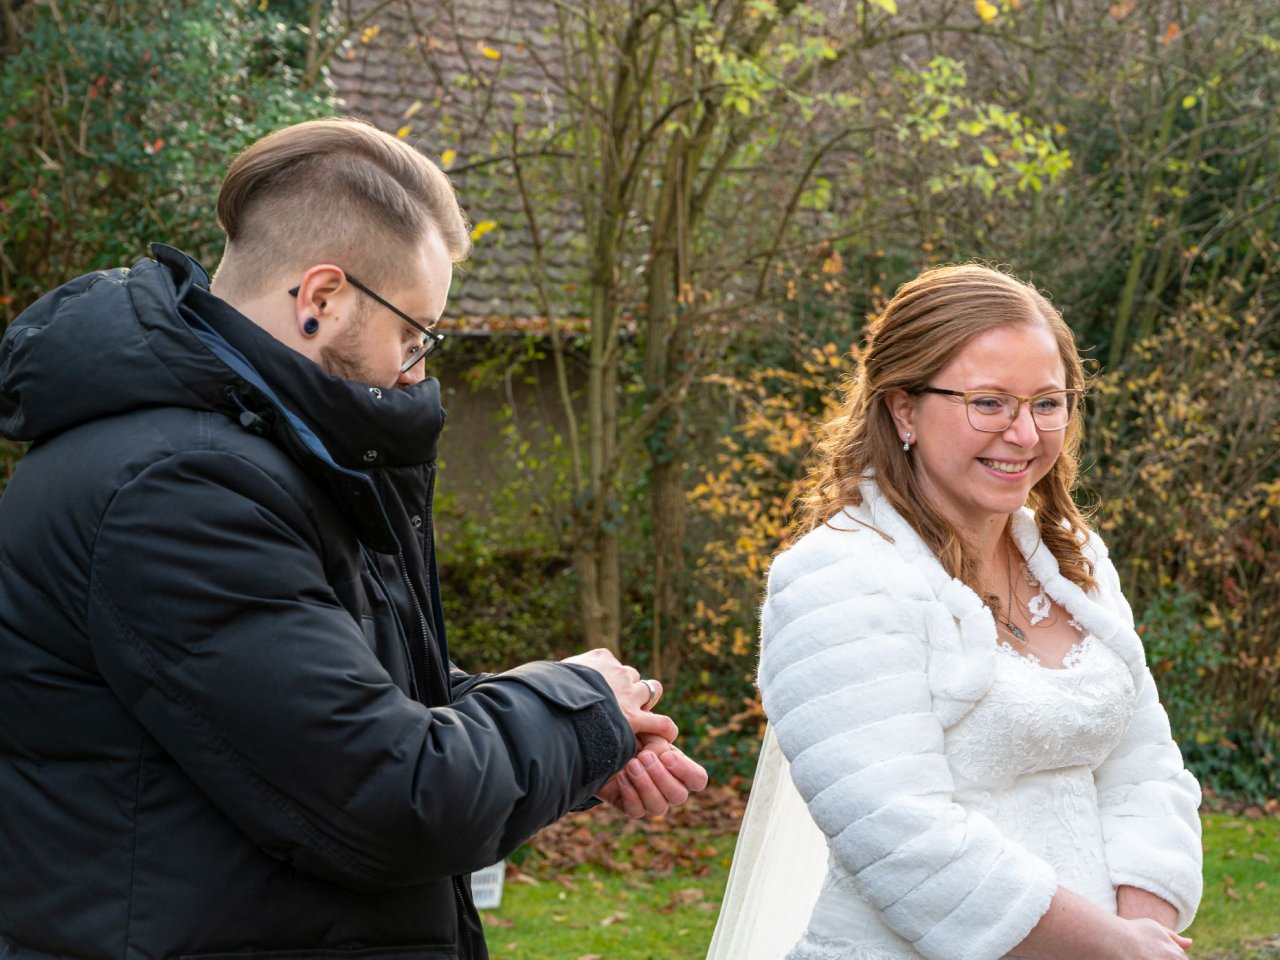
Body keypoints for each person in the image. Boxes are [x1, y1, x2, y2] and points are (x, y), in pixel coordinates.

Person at [0, 117, 707, 960]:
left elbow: (353, 696)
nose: (417, 371)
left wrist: (587, 737)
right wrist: (572, 706)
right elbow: (390, 795)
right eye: (414, 334)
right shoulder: (181, 489)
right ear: (321, 298)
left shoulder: (254, 457)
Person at [707, 264, 1203, 960]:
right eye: (990, 402)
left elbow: (1146, 769)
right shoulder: (835, 577)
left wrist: (1141, 930)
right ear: (902, 408)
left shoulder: (1075, 561)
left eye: (1048, 402)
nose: (1025, 434)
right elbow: (901, 834)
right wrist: (1111, 947)